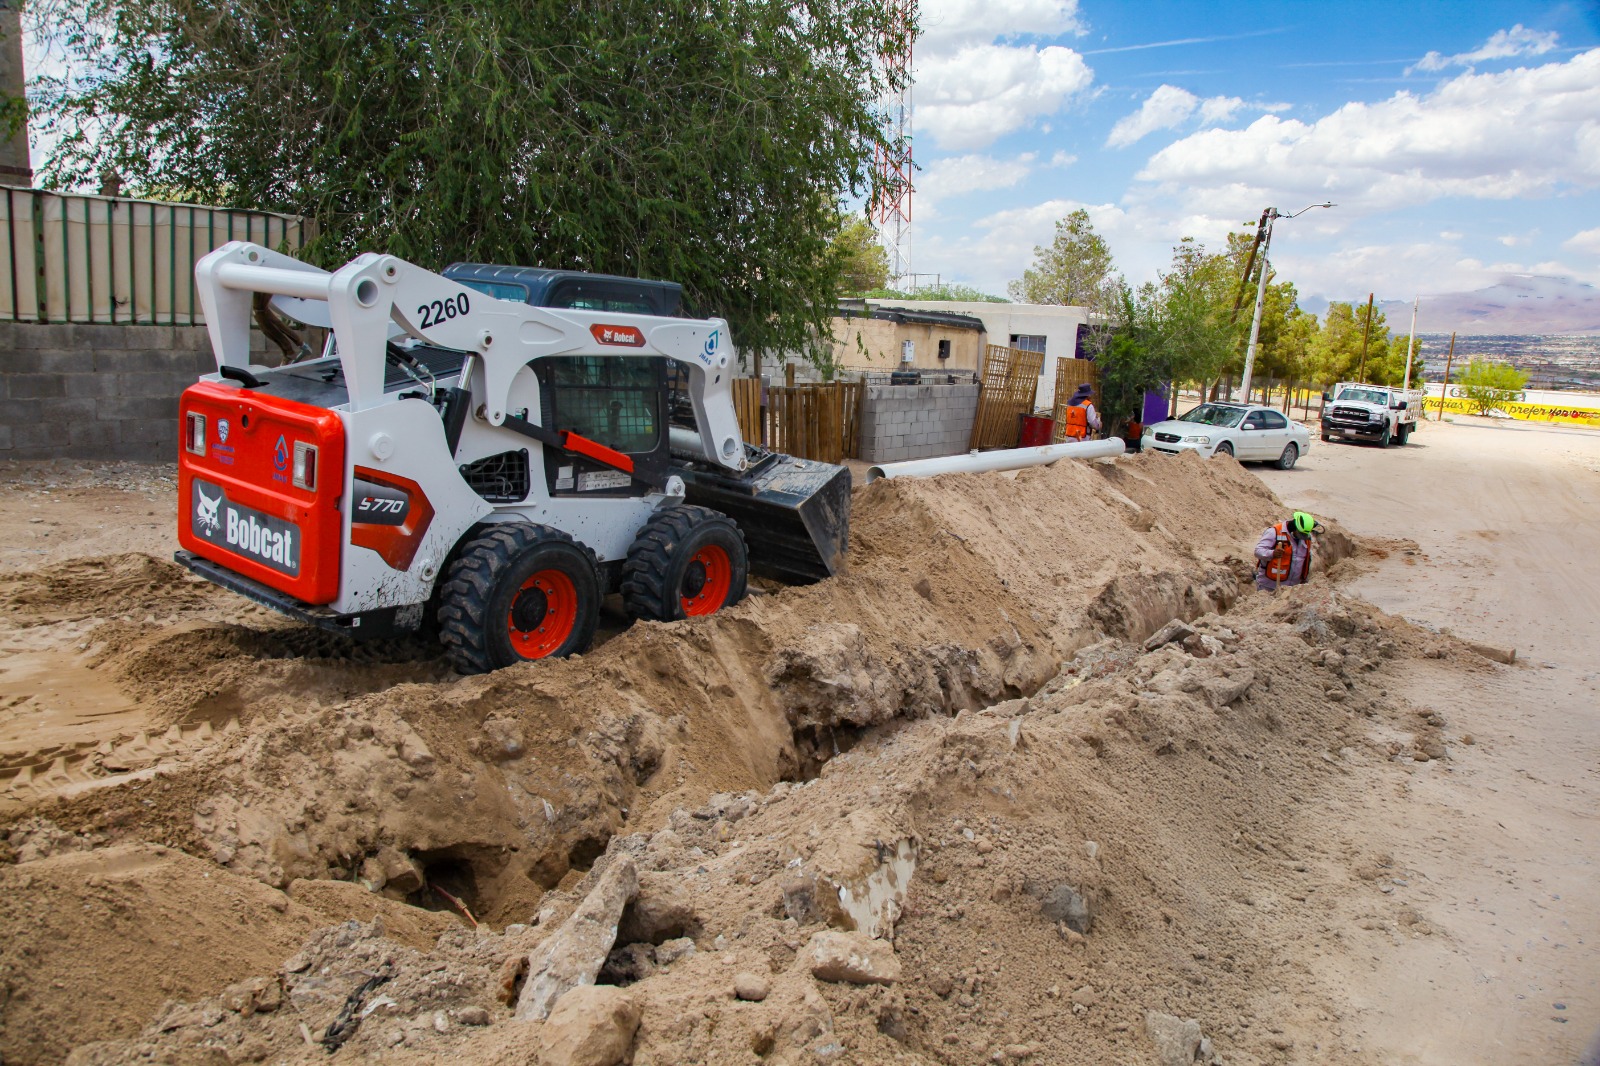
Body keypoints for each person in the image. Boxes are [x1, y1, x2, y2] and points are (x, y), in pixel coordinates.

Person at [1254, 510, 1324, 591]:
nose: (1302, 537)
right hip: (1270, 586)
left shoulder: (1306, 538)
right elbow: (1258, 551)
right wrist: (1272, 553)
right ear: (1294, 527)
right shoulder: (1274, 532)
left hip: (1293, 589)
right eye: (1300, 534)